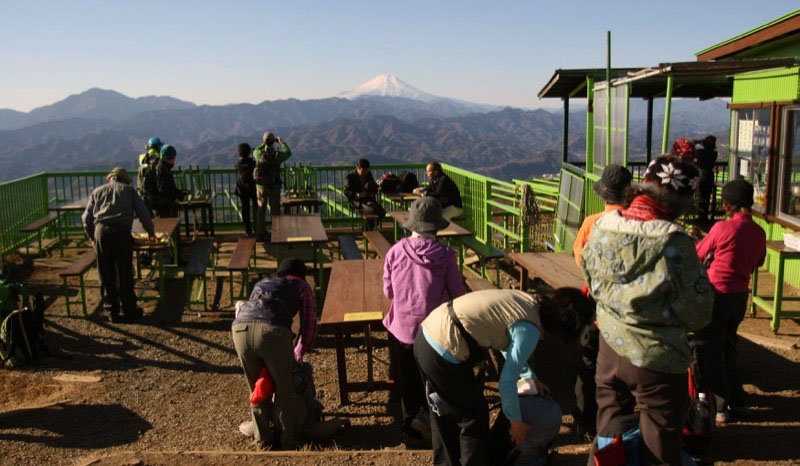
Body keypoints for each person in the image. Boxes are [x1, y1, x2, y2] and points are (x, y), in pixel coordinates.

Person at [581, 155, 713, 466]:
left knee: (609, 431)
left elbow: (588, 273)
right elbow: (699, 313)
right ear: (680, 198)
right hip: (657, 356)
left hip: (609, 346)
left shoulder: (603, 225)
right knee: (661, 441)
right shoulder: (675, 241)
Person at [414, 287, 594, 466]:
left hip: (428, 334)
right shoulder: (530, 330)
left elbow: (503, 341)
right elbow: (506, 383)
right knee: (473, 417)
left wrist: (529, 377)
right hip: (443, 349)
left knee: (444, 411)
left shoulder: (528, 302)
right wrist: (515, 423)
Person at [383, 197, 466, 442]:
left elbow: (388, 291)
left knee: (408, 380)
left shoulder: (395, 251)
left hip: (403, 328)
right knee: (434, 380)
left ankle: (409, 428)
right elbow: (457, 294)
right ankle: (435, 428)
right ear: (437, 227)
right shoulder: (445, 255)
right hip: (434, 331)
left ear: (413, 224)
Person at [694, 178, 766, 424]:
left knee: (712, 350)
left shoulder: (722, 228)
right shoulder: (759, 231)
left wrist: (694, 240)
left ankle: (720, 406)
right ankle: (739, 402)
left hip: (717, 294)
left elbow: (699, 254)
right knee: (729, 347)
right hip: (739, 297)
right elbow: (759, 261)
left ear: (729, 203)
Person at [571, 164, 631, 439]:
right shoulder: (638, 225)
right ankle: (622, 422)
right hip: (627, 310)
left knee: (589, 362)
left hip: (595, 302)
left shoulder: (591, 223)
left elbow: (580, 258)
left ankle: (584, 421)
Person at [232, 258, 317, 449]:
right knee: (284, 387)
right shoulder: (302, 285)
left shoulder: (262, 283)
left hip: (240, 330)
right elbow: (309, 324)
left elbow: (252, 308)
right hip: (272, 332)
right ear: (301, 274)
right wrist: (301, 350)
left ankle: (263, 440)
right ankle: (289, 440)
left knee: (256, 387)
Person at [82, 167, 155, 323]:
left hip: (101, 232)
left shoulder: (97, 191)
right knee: (125, 272)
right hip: (121, 233)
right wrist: (150, 232)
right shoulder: (129, 191)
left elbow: (86, 219)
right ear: (125, 180)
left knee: (105, 273)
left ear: (110, 178)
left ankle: (112, 311)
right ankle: (129, 310)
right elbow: (143, 212)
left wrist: (93, 237)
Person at [253, 131, 292, 239]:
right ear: (273, 142)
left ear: (264, 141)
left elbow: (255, 150)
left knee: (261, 210)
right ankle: (276, 233)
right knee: (275, 211)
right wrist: (281, 143)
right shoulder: (277, 155)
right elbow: (288, 152)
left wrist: (263, 143)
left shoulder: (258, 154)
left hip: (261, 187)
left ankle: (261, 233)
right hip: (274, 187)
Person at [153, 144, 184, 217]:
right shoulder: (162, 170)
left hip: (165, 208)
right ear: (167, 158)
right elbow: (164, 190)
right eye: (173, 157)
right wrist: (178, 194)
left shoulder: (163, 168)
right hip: (164, 210)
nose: (174, 159)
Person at [235, 143, 258, 236]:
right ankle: (257, 228)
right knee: (256, 209)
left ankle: (248, 230)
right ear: (249, 153)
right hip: (253, 189)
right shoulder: (253, 163)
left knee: (245, 210)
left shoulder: (238, 164)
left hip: (242, 190)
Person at [694, 135, 718, 222]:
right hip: (709, 176)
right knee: (707, 196)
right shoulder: (714, 154)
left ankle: (700, 216)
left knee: (700, 196)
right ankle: (704, 216)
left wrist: (698, 141)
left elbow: (692, 145)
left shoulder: (700, 152)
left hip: (701, 176)